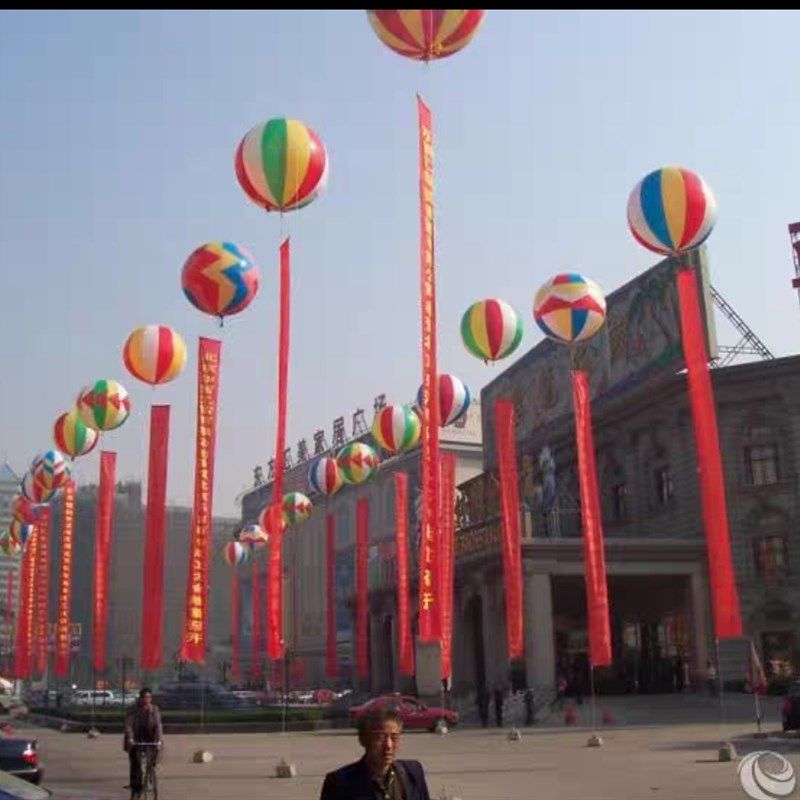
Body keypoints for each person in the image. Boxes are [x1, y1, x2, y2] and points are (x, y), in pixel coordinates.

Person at [319, 705, 431, 799]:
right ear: (363, 740)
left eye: (394, 737)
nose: (388, 745)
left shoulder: (412, 772)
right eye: (380, 737)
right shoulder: (340, 782)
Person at [123, 687, 163, 800]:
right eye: (145, 697)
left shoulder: (154, 710)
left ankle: (151, 775)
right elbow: (128, 726)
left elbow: (158, 726)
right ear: (140, 698)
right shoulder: (133, 710)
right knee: (136, 764)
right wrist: (130, 739)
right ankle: (135, 786)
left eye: (149, 697)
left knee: (154, 757)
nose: (147, 699)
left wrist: (158, 740)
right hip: (135, 739)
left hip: (150, 738)